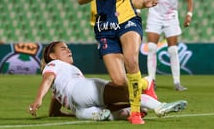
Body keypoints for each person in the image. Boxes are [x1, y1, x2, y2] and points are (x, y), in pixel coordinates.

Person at [77, 0, 159, 124]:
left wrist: (146, 3)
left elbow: (137, 0)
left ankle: (135, 112)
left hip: (127, 19)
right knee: (120, 81)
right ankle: (144, 83)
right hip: (104, 26)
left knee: (131, 60)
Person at [28, 41, 187, 121]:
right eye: (63, 49)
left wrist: (64, 114)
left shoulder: (60, 78)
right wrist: (37, 99)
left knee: (111, 111)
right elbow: (47, 79)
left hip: (78, 108)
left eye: (68, 47)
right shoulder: (54, 65)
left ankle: (119, 113)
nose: (68, 49)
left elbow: (54, 110)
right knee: (130, 95)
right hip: (82, 90)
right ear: (52, 56)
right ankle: (159, 106)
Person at [142, 0, 194, 91]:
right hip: (155, 15)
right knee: (152, 48)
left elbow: (189, 0)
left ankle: (177, 82)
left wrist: (189, 15)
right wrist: (137, 9)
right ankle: (151, 82)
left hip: (171, 17)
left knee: (173, 50)